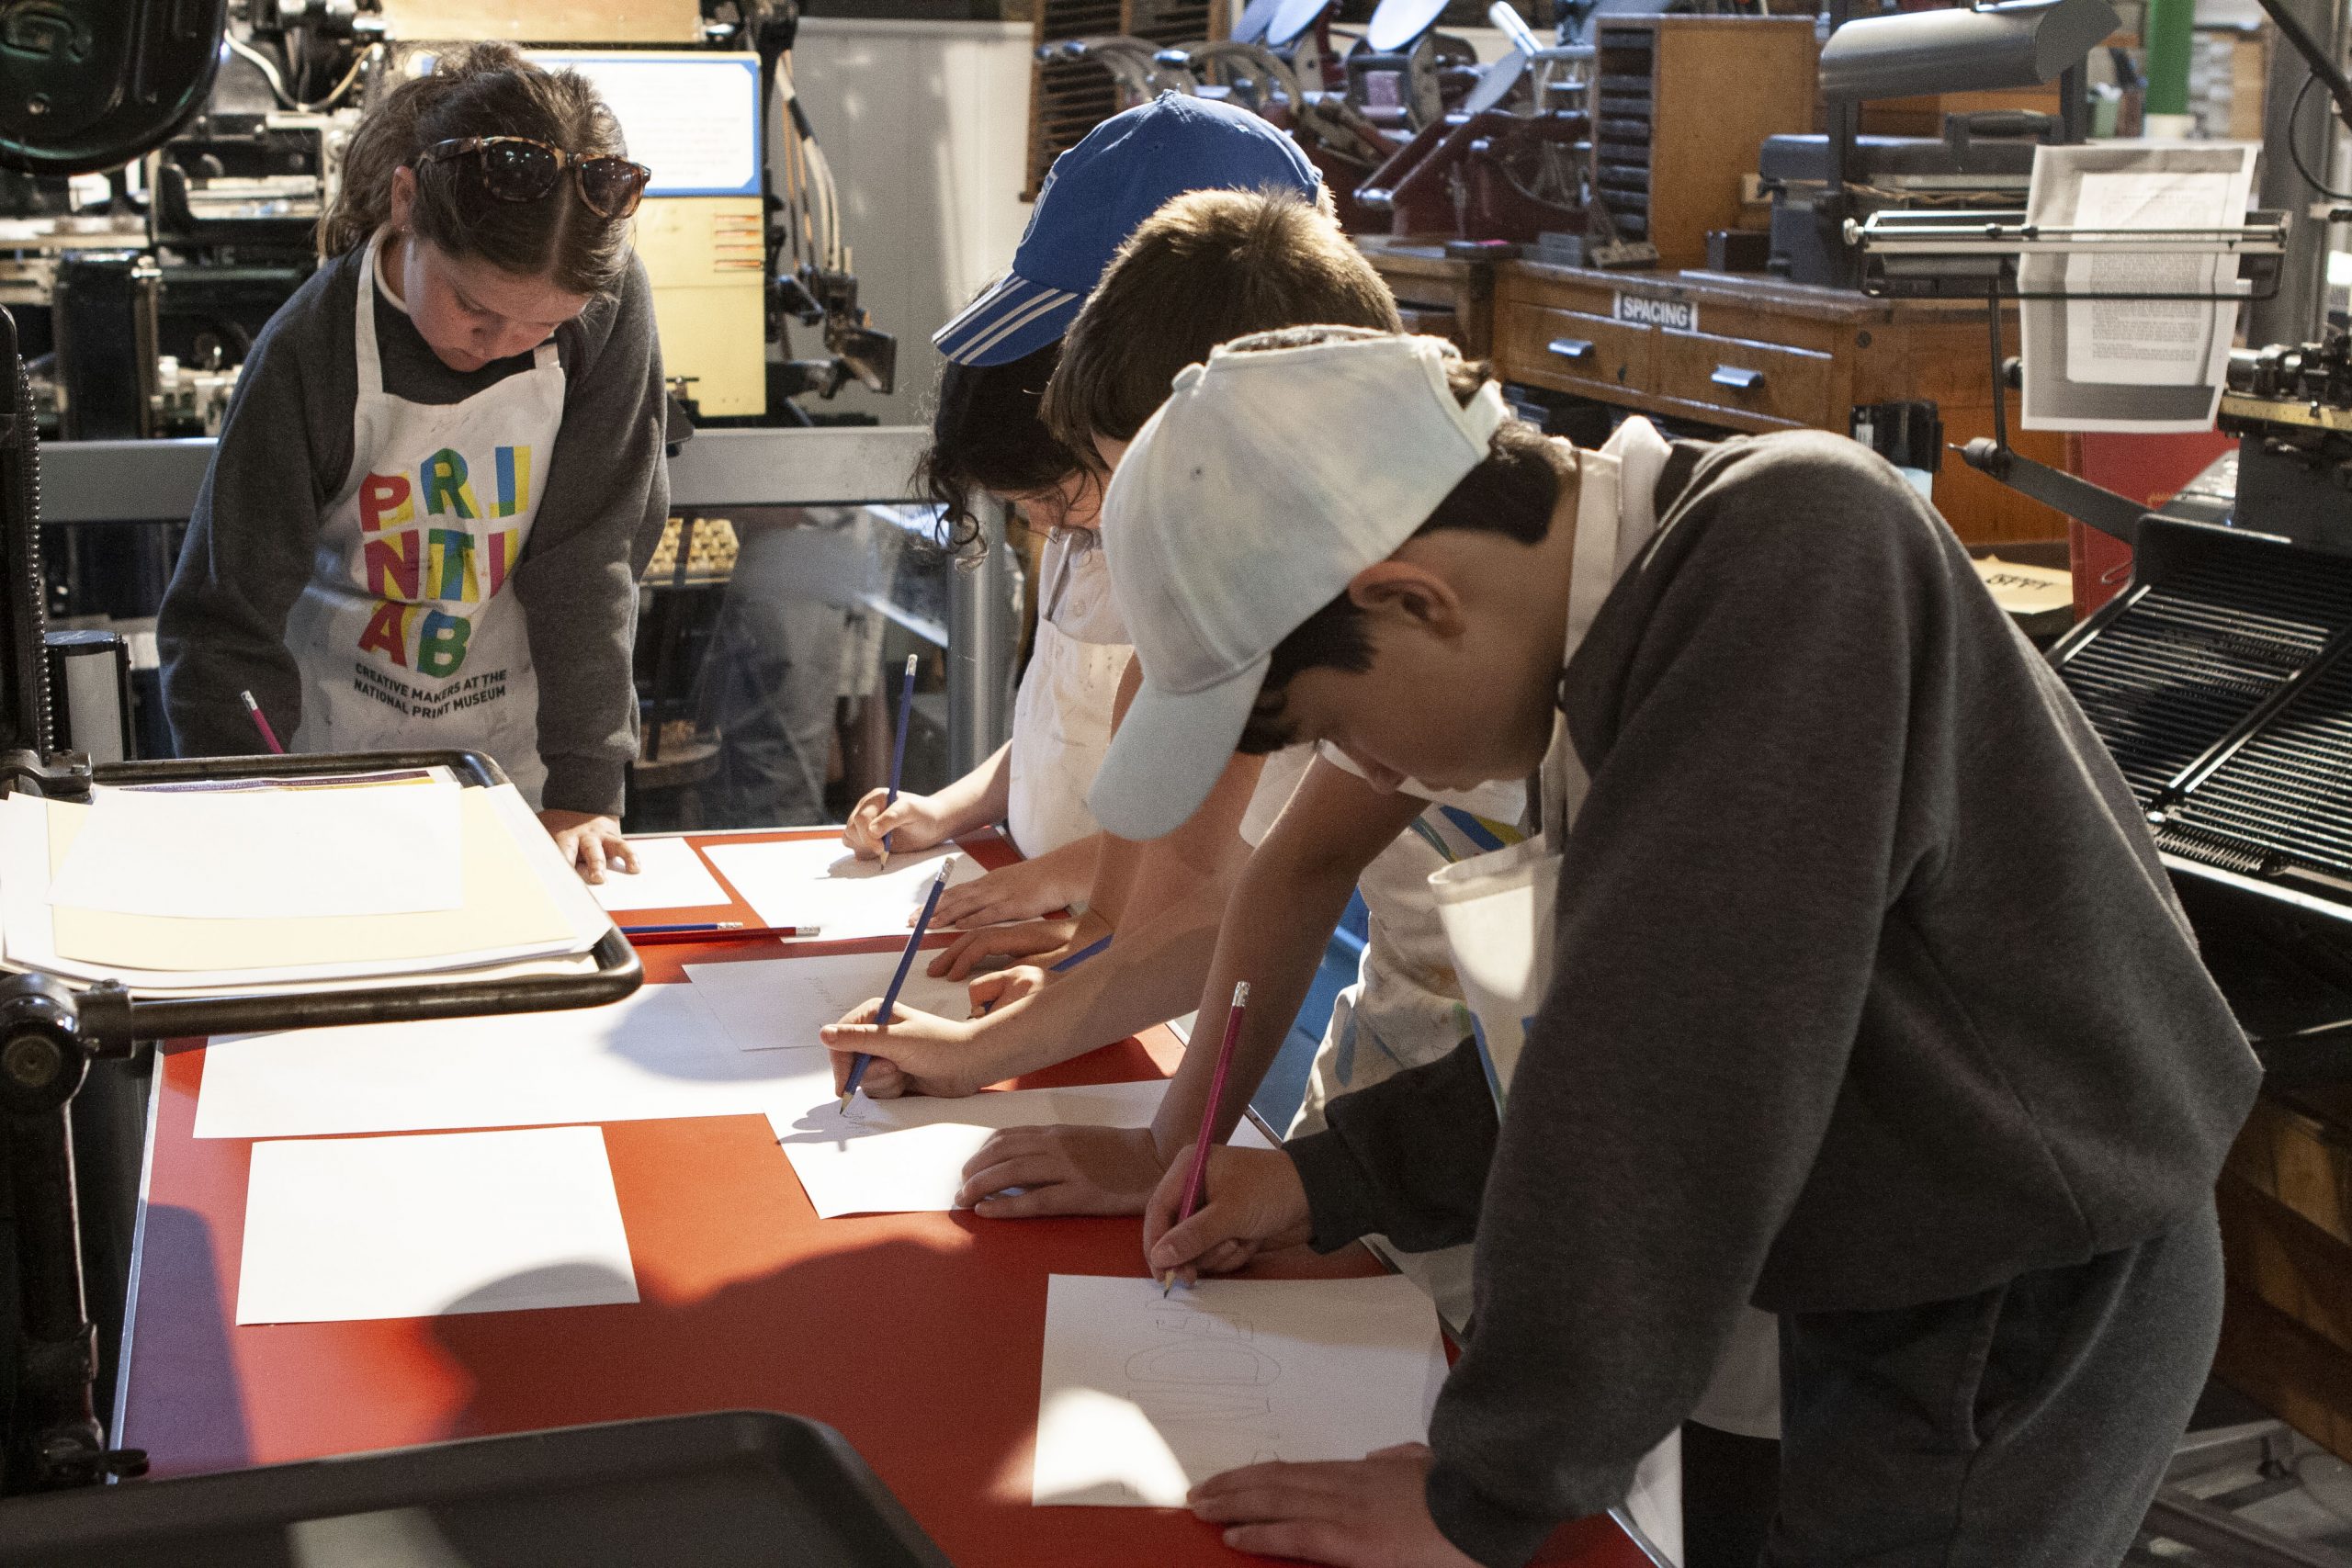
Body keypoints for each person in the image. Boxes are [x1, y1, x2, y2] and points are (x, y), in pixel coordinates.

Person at [1097, 329, 2260, 1567]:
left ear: (1408, 595)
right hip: (1887, 1254)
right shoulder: (1617, 638)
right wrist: (1330, 1177)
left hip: (2008, 1295)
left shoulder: (1789, 556)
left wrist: (1478, 1495)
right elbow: (1597, 1031)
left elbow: (1663, 1080)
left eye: (1339, 727)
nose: (1375, 776)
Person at [157, 44, 667, 882]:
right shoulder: (309, 352)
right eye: (474, 306)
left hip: (526, 762)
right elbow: (224, 619)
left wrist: (586, 783)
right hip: (329, 755)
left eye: (541, 327)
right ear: (405, 205)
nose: (501, 344)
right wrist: (241, 796)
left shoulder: (610, 309)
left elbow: (591, 558)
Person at [835, 94, 1320, 943]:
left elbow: (1241, 853)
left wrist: (1081, 921)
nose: (1059, 527)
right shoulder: (1098, 525)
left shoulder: (1275, 577)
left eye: (1067, 493)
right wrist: (956, 809)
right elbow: (1071, 731)